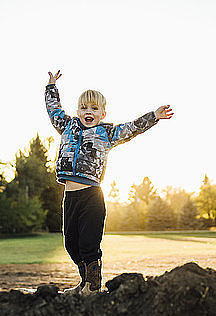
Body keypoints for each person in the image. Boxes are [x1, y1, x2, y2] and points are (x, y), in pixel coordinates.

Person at [45, 69, 174, 294]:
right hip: (71, 197)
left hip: (92, 197)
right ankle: (85, 281)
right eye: (84, 107)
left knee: (88, 245)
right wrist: (51, 86)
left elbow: (133, 127)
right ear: (77, 111)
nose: (89, 111)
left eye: (94, 109)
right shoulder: (67, 126)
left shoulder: (108, 133)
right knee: (71, 245)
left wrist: (154, 115)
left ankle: (92, 287)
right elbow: (53, 109)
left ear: (103, 114)